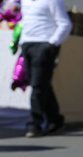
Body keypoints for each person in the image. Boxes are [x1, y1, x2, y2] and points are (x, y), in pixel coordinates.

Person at [21, 0, 73, 137]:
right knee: (41, 84)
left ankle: (34, 124)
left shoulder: (52, 1)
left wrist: (51, 44)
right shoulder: (24, 2)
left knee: (38, 85)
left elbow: (65, 24)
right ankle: (55, 120)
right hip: (27, 44)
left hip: (44, 44)